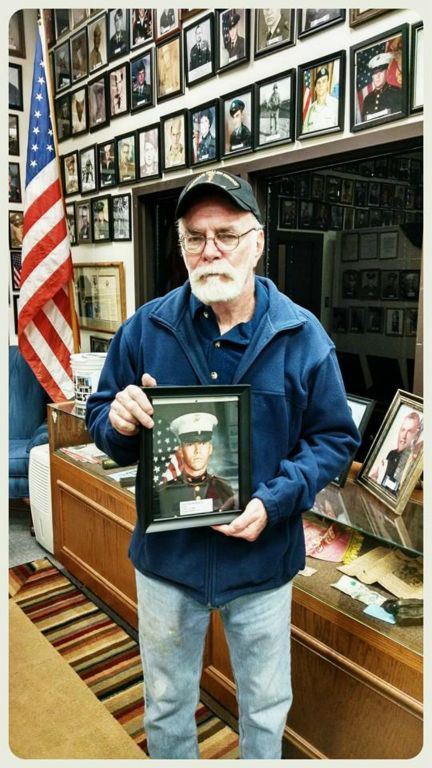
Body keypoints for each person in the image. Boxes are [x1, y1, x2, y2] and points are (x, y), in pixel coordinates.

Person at [86, 168, 360, 760]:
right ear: (181, 245)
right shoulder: (144, 327)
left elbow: (334, 439)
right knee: (164, 702)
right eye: (195, 236)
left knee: (264, 709)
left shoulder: (302, 335)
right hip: (168, 564)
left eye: (228, 235)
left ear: (257, 242)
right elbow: (102, 420)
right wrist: (120, 421)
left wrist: (275, 500)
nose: (210, 249)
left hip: (262, 563)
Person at [157, 412, 235, 520]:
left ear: (210, 448)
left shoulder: (223, 488)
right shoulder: (166, 492)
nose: (197, 451)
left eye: (203, 444)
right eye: (190, 444)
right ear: (181, 451)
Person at [369, 411, 422, 494]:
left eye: (409, 431)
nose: (403, 436)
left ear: (416, 434)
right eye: (403, 430)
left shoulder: (416, 459)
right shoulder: (392, 454)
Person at [361, 52, 402, 122]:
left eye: (381, 72)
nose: (377, 76)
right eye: (375, 73)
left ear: (387, 72)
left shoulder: (397, 93)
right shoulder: (367, 99)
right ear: (372, 76)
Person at [303, 66, 339, 133]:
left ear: (328, 84)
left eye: (324, 81)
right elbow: (304, 133)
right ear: (315, 87)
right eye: (318, 82)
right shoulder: (310, 110)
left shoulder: (336, 105)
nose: (321, 85)